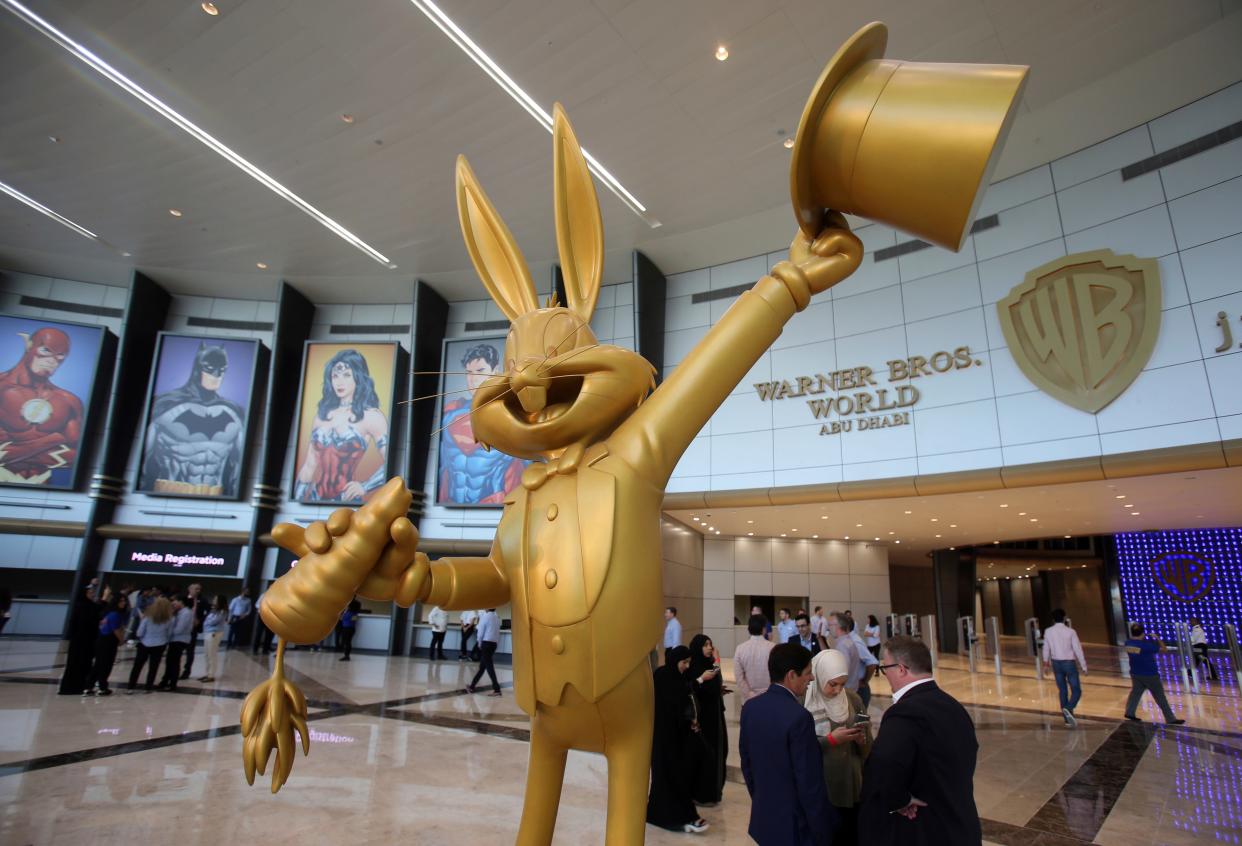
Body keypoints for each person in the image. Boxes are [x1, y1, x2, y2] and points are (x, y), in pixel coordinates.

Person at [859, 636, 981, 845]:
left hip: (926, 829)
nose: (884, 674)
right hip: (961, 824)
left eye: (885, 667)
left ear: (901, 669)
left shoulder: (905, 712)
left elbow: (883, 764)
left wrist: (900, 800)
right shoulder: (953, 706)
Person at [740, 643, 835, 845]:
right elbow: (809, 782)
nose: (811, 678)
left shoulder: (751, 708)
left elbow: (747, 764)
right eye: (808, 673)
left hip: (764, 819)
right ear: (792, 675)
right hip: (795, 827)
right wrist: (822, 830)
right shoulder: (799, 717)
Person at [139, 341, 246, 497]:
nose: (216, 375)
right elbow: (144, 460)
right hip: (169, 488)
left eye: (222, 370)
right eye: (210, 369)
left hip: (214, 492)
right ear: (198, 368)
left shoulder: (233, 412)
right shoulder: (165, 406)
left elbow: (237, 467)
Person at [295, 348, 390, 503]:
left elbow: (389, 461)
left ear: (358, 378)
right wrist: (296, 500)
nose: (339, 381)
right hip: (315, 497)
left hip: (347, 501)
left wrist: (365, 486)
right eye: (335, 376)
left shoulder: (372, 416)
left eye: (347, 375)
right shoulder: (322, 415)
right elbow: (309, 465)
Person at [437, 342, 527, 504]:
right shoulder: (449, 414)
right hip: (451, 501)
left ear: (495, 371)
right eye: (469, 372)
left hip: (498, 501)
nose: (473, 379)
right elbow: (444, 467)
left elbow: (530, 463)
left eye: (480, 371)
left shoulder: (513, 413)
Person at [0, 326, 84, 485]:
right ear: (29, 346)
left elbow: (77, 456)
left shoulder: (69, 401)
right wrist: (53, 440)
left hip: (41, 482)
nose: (52, 360)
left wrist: (14, 451)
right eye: (46, 350)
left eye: (60, 355)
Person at [805, 649, 871, 845]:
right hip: (822, 788)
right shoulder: (805, 702)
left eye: (842, 684)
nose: (837, 690)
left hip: (852, 785)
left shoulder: (854, 700)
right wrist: (831, 740)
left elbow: (868, 740)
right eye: (832, 684)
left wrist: (862, 741)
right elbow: (800, 748)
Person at [646, 645, 710, 833]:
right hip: (664, 737)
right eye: (684, 662)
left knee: (674, 777)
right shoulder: (663, 676)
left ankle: (667, 815)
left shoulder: (676, 677)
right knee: (668, 776)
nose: (687, 666)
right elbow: (671, 703)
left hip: (677, 736)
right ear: (676, 661)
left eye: (689, 662)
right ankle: (683, 817)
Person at [687, 634, 727, 807]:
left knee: (719, 751)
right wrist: (717, 662)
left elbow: (715, 684)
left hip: (715, 714)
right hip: (703, 717)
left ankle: (713, 792)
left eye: (710, 644)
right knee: (705, 754)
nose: (709, 648)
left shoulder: (708, 665)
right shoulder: (694, 667)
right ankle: (701, 794)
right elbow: (695, 688)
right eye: (705, 645)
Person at [1124, 622, 1186, 725]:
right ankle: (1170, 718)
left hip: (1135, 673)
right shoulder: (1147, 646)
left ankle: (1129, 712)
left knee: (1135, 694)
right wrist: (1157, 638)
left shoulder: (1128, 643)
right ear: (1143, 633)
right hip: (1150, 674)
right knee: (1160, 697)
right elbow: (1164, 650)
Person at [1041, 608, 1088, 727]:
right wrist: (1083, 666)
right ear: (1064, 618)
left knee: (1062, 690)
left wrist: (1045, 664)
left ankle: (1067, 719)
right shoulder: (1071, 632)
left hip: (1056, 663)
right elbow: (1077, 649)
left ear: (1053, 619)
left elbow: (1046, 648)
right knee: (1076, 689)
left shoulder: (1048, 631)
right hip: (1069, 663)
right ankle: (1069, 707)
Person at [57, 584, 100, 695]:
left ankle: (81, 686)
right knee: (77, 664)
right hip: (81, 641)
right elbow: (90, 620)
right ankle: (72, 688)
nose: (93, 594)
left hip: (85, 641)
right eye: (90, 592)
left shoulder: (87, 605)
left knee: (84, 664)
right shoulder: (82, 606)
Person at [84, 593, 129, 696]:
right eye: (121, 601)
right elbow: (116, 630)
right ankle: (102, 687)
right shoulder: (115, 614)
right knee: (105, 665)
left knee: (99, 664)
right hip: (108, 641)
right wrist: (121, 640)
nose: (124, 603)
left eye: (124, 601)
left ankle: (89, 686)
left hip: (103, 640)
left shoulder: (108, 613)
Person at [127, 597, 173, 693]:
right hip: (160, 644)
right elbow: (169, 633)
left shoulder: (148, 617)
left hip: (144, 643)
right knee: (153, 667)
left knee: (137, 666)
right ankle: (148, 687)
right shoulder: (169, 620)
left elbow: (139, 632)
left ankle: (131, 687)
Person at [734, 614, 775, 703]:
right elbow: (778, 674)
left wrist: (749, 694)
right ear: (764, 629)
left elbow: (739, 678)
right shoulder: (773, 648)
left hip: (748, 700)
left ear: (749, 629)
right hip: (770, 697)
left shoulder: (740, 648)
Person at [158, 595, 193, 691]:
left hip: (179, 640)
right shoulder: (178, 613)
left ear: (181, 602)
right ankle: (165, 681)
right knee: (170, 662)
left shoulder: (186, 613)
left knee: (174, 662)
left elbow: (179, 629)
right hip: (174, 640)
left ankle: (172, 683)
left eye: (174, 602)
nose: (173, 604)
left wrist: (169, 631)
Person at [845, 618, 879, 711]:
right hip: (852, 688)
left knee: (859, 722)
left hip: (860, 690)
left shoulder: (854, 642)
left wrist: (864, 681)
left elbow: (872, 663)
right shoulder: (847, 640)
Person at [467, 608, 501, 696]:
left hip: (486, 643)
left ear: (487, 608)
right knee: (482, 667)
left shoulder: (485, 617)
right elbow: (498, 632)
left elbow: (480, 632)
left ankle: (497, 689)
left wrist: (479, 642)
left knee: (489, 667)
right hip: (493, 643)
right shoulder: (497, 617)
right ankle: (472, 686)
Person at [180, 582, 206, 679]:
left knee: (190, 651)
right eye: (196, 589)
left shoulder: (202, 600)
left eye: (199, 589)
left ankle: (187, 671)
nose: (198, 591)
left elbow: (205, 613)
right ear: (190, 589)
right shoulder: (183, 599)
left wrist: (200, 621)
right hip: (182, 629)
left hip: (193, 629)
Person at [199, 595, 227, 682]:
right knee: (207, 654)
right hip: (207, 632)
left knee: (212, 654)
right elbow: (207, 620)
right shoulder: (213, 610)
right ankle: (207, 673)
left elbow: (213, 621)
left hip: (214, 633)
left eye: (215, 599)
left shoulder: (222, 611)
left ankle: (211, 675)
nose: (213, 600)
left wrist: (206, 622)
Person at [253, 586, 275, 655]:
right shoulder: (263, 595)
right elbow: (257, 604)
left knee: (269, 634)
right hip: (262, 616)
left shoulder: (277, 597)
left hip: (271, 617)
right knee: (259, 633)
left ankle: (265, 650)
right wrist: (262, 609)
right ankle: (255, 649)